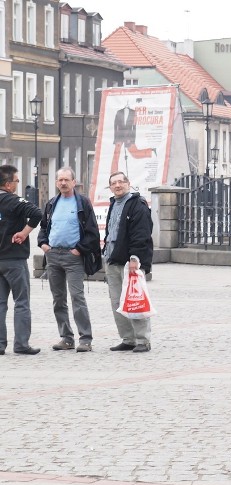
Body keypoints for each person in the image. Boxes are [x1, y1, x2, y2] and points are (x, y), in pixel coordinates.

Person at [37, 167, 101, 352]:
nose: (63, 183)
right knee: (58, 299)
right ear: (56, 183)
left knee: (77, 297)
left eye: (67, 180)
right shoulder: (51, 203)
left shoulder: (82, 203)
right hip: (53, 256)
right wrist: (43, 244)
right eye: (60, 180)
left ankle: (85, 339)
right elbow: (43, 227)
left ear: (74, 182)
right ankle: (66, 338)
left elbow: (92, 232)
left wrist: (79, 250)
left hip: (73, 257)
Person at [102, 171, 154, 353]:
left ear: (128, 183)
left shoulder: (137, 205)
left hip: (129, 261)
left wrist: (135, 258)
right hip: (112, 259)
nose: (117, 186)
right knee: (117, 302)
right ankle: (128, 338)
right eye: (113, 183)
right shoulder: (113, 204)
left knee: (134, 300)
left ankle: (142, 340)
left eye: (120, 182)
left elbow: (141, 234)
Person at [0, 165, 43, 355]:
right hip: (14, 259)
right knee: (21, 302)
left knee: (0, 304)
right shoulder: (13, 200)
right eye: (17, 181)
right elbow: (36, 213)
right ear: (8, 184)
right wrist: (25, 233)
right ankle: (21, 344)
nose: (18, 184)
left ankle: (0, 345)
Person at [111, 99, 157, 174]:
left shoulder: (133, 112)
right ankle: (113, 173)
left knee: (135, 154)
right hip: (119, 136)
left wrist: (132, 140)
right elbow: (115, 126)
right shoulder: (119, 112)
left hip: (129, 137)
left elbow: (134, 128)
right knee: (116, 154)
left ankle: (151, 151)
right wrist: (115, 139)